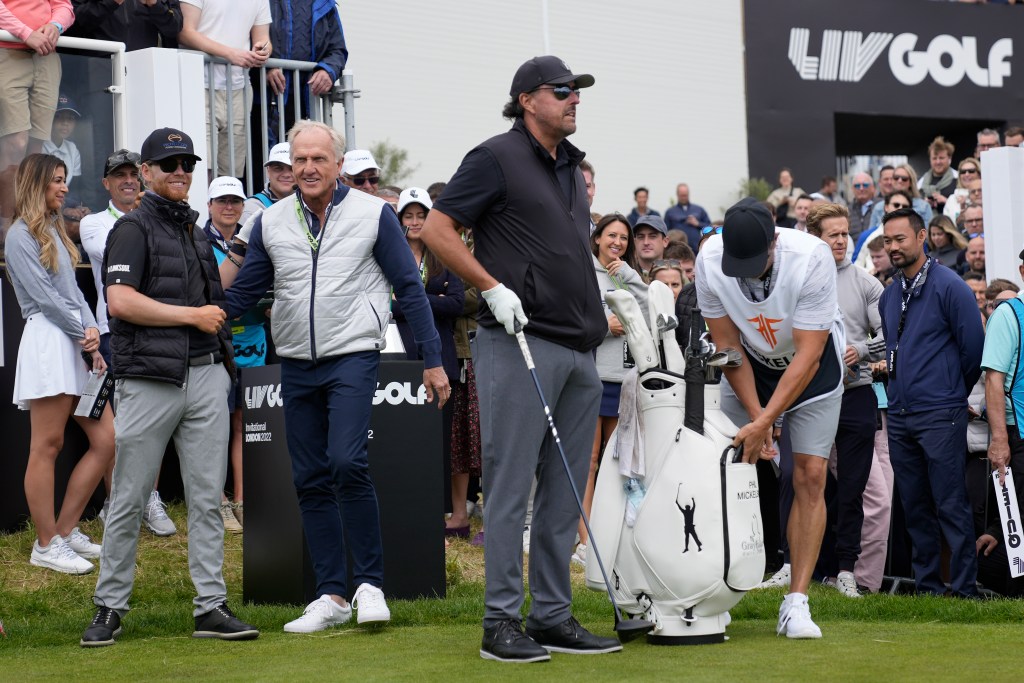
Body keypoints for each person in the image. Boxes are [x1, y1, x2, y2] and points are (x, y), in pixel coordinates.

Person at [421, 55, 621, 662]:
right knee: (510, 486)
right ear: (527, 99)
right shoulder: (495, 156)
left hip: (580, 348)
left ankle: (553, 616)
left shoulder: (571, 168)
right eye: (563, 91)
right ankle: (500, 622)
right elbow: (436, 229)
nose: (574, 99)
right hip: (517, 343)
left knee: (564, 491)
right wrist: (490, 285)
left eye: (577, 92)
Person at [224, 120, 448, 634]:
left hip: (352, 353)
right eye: (299, 159)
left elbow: (409, 290)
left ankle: (369, 584)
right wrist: (196, 314)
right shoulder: (272, 220)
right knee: (308, 477)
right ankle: (331, 594)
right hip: (296, 359)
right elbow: (242, 295)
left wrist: (433, 360)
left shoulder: (374, 214)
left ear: (338, 164)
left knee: (347, 460)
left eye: (318, 159)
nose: (307, 168)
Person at [81, 127, 258, 647]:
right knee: (130, 498)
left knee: (206, 499)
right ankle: (108, 607)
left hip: (205, 374)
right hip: (149, 380)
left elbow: (212, 294)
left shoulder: (195, 230)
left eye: (187, 163)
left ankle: (211, 607)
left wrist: (249, 248)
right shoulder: (132, 227)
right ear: (147, 174)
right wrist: (192, 316)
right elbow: (120, 302)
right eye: (169, 163)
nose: (180, 171)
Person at [696, 197, 845, 638]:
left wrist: (765, 423)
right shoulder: (708, 260)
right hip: (748, 368)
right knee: (727, 468)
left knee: (811, 474)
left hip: (812, 371)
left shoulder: (812, 258)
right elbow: (728, 346)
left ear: (775, 241)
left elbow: (810, 355)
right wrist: (759, 419)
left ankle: (796, 603)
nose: (744, 271)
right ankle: (714, 590)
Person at [5, 152, 114, 575]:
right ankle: (46, 543)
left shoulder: (52, 228)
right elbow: (46, 300)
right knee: (47, 446)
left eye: (65, 179)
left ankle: (65, 531)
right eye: (56, 180)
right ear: (36, 184)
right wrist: (80, 333)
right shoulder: (19, 236)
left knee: (107, 440)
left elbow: (74, 294)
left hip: (73, 342)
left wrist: (91, 334)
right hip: (49, 343)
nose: (64, 187)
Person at [879, 206, 983, 598]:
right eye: (887, 241)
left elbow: (973, 349)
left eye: (900, 239)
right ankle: (927, 589)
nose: (892, 247)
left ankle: (964, 589)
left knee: (950, 504)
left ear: (922, 237)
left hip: (941, 413)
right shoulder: (890, 294)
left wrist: (949, 392)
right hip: (901, 415)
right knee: (915, 507)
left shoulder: (950, 285)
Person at [79, 149, 179, 537]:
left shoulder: (154, 217)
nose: (127, 181)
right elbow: (123, 253)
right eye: (118, 175)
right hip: (111, 333)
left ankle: (147, 499)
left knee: (149, 420)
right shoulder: (93, 223)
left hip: (153, 331)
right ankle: (117, 504)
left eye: (132, 174)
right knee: (118, 427)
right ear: (106, 183)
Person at [805, 203, 884, 598]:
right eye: (831, 234)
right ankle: (801, 565)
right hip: (812, 396)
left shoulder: (867, 283)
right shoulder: (799, 281)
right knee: (805, 483)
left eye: (843, 234)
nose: (839, 240)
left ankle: (847, 569)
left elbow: (888, 336)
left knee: (853, 487)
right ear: (815, 239)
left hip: (856, 395)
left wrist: (861, 350)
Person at [389, 187, 467, 537]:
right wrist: (426, 299)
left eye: (422, 215)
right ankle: (407, 508)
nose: (416, 222)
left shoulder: (444, 257)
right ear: (400, 219)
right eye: (409, 215)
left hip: (441, 359)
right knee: (404, 436)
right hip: (399, 358)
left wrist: (413, 300)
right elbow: (386, 306)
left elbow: (455, 303)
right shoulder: (389, 257)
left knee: (438, 440)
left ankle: (438, 513)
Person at [573, 213, 648, 568]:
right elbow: (574, 318)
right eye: (611, 236)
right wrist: (606, 326)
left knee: (617, 462)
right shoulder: (583, 270)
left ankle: (614, 534)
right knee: (587, 462)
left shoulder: (626, 275)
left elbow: (649, 313)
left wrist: (630, 277)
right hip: (591, 376)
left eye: (623, 238)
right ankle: (585, 539)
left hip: (625, 380)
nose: (617, 242)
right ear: (597, 238)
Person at [203, 175, 262, 532]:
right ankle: (219, 501)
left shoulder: (254, 236)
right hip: (215, 339)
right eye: (222, 201)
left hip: (254, 339)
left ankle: (242, 497)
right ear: (209, 205)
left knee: (244, 421)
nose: (229, 207)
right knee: (214, 424)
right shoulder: (197, 239)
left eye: (235, 202)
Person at [178, 0, 271, 177]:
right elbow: (184, 32)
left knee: (231, 172)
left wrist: (263, 49)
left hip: (239, 88)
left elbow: (263, 38)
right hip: (198, 84)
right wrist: (229, 53)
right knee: (200, 167)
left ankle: (225, 205)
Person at [264, 0, 348, 146]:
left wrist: (327, 70)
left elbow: (337, 50)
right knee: (260, 161)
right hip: (260, 99)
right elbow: (243, 38)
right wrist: (267, 65)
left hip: (302, 101)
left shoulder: (324, 3)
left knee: (295, 159)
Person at [67, 0, 183, 50]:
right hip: (98, 67)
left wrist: (155, 5)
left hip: (146, 69)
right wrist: (111, 3)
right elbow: (71, 24)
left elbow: (174, 28)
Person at [240, 141, 293, 226]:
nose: (286, 175)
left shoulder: (310, 204)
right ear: (268, 171)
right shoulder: (251, 208)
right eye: (278, 168)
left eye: (291, 168)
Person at [918, 136, 957, 214]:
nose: (938, 162)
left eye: (941, 158)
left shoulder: (957, 178)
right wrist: (924, 203)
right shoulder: (921, 182)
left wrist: (947, 202)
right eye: (934, 158)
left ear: (949, 158)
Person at [664, 182, 710, 247]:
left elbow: (709, 227)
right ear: (677, 195)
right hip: (677, 248)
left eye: (685, 195)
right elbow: (666, 232)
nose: (684, 198)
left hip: (696, 248)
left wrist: (697, 224)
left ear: (688, 194)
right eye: (682, 195)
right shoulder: (670, 212)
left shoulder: (699, 210)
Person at [632, 213, 669, 282]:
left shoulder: (676, 276)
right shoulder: (626, 275)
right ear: (634, 242)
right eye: (640, 237)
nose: (646, 242)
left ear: (665, 241)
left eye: (652, 236)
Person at [942, 157, 980, 223]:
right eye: (963, 172)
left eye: (971, 171)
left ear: (979, 174)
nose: (967, 174)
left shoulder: (985, 195)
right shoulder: (951, 199)